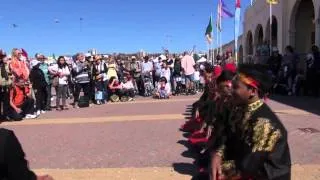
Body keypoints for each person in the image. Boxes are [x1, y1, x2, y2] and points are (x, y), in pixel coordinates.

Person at [210, 64, 291, 180]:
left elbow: (249, 165)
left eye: (235, 87)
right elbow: (228, 135)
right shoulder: (241, 108)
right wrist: (218, 154)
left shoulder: (265, 123)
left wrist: (221, 171)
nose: (230, 90)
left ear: (252, 91)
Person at [0, 50, 12, 121]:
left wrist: (9, 82)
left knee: (6, 102)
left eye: (2, 56)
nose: (1, 58)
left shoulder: (4, 65)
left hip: (5, 86)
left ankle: (6, 115)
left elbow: (8, 75)